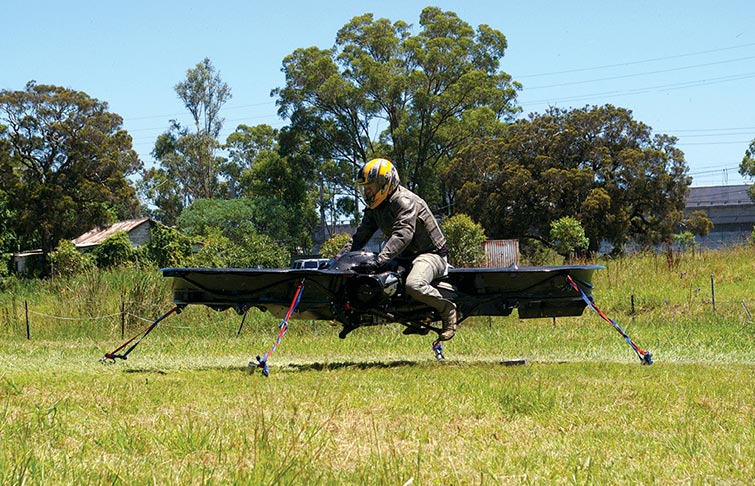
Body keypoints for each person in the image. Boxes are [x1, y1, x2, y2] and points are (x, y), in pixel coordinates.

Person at [345, 158, 457, 341]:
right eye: (365, 188)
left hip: (431, 254)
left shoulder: (404, 201)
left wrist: (381, 259)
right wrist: (340, 260)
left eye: (370, 187)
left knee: (414, 285)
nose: (367, 193)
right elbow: (359, 237)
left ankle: (448, 311)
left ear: (384, 183)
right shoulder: (375, 206)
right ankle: (416, 316)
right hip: (404, 256)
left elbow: (403, 234)